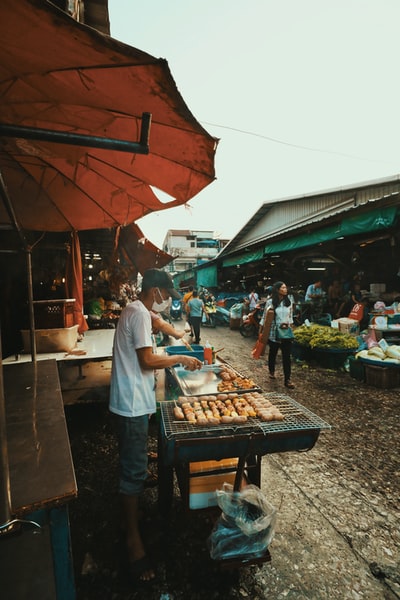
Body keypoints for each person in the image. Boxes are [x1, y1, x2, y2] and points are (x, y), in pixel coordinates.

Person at [109, 268, 202, 584]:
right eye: (167, 296)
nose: (167, 302)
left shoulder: (139, 310)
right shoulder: (137, 315)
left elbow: (158, 321)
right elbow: (147, 360)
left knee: (132, 466)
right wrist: (179, 360)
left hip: (132, 402)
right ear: (157, 291)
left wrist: (178, 335)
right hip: (131, 405)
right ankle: (133, 543)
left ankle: (128, 519)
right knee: (133, 472)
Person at [264, 281, 295, 389]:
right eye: (283, 288)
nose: (285, 289)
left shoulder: (289, 301)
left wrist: (290, 325)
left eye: (286, 287)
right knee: (273, 352)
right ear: (277, 290)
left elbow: (290, 316)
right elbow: (265, 318)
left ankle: (287, 379)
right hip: (274, 332)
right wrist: (262, 332)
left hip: (286, 332)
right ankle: (271, 371)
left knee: (287, 356)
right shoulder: (270, 302)